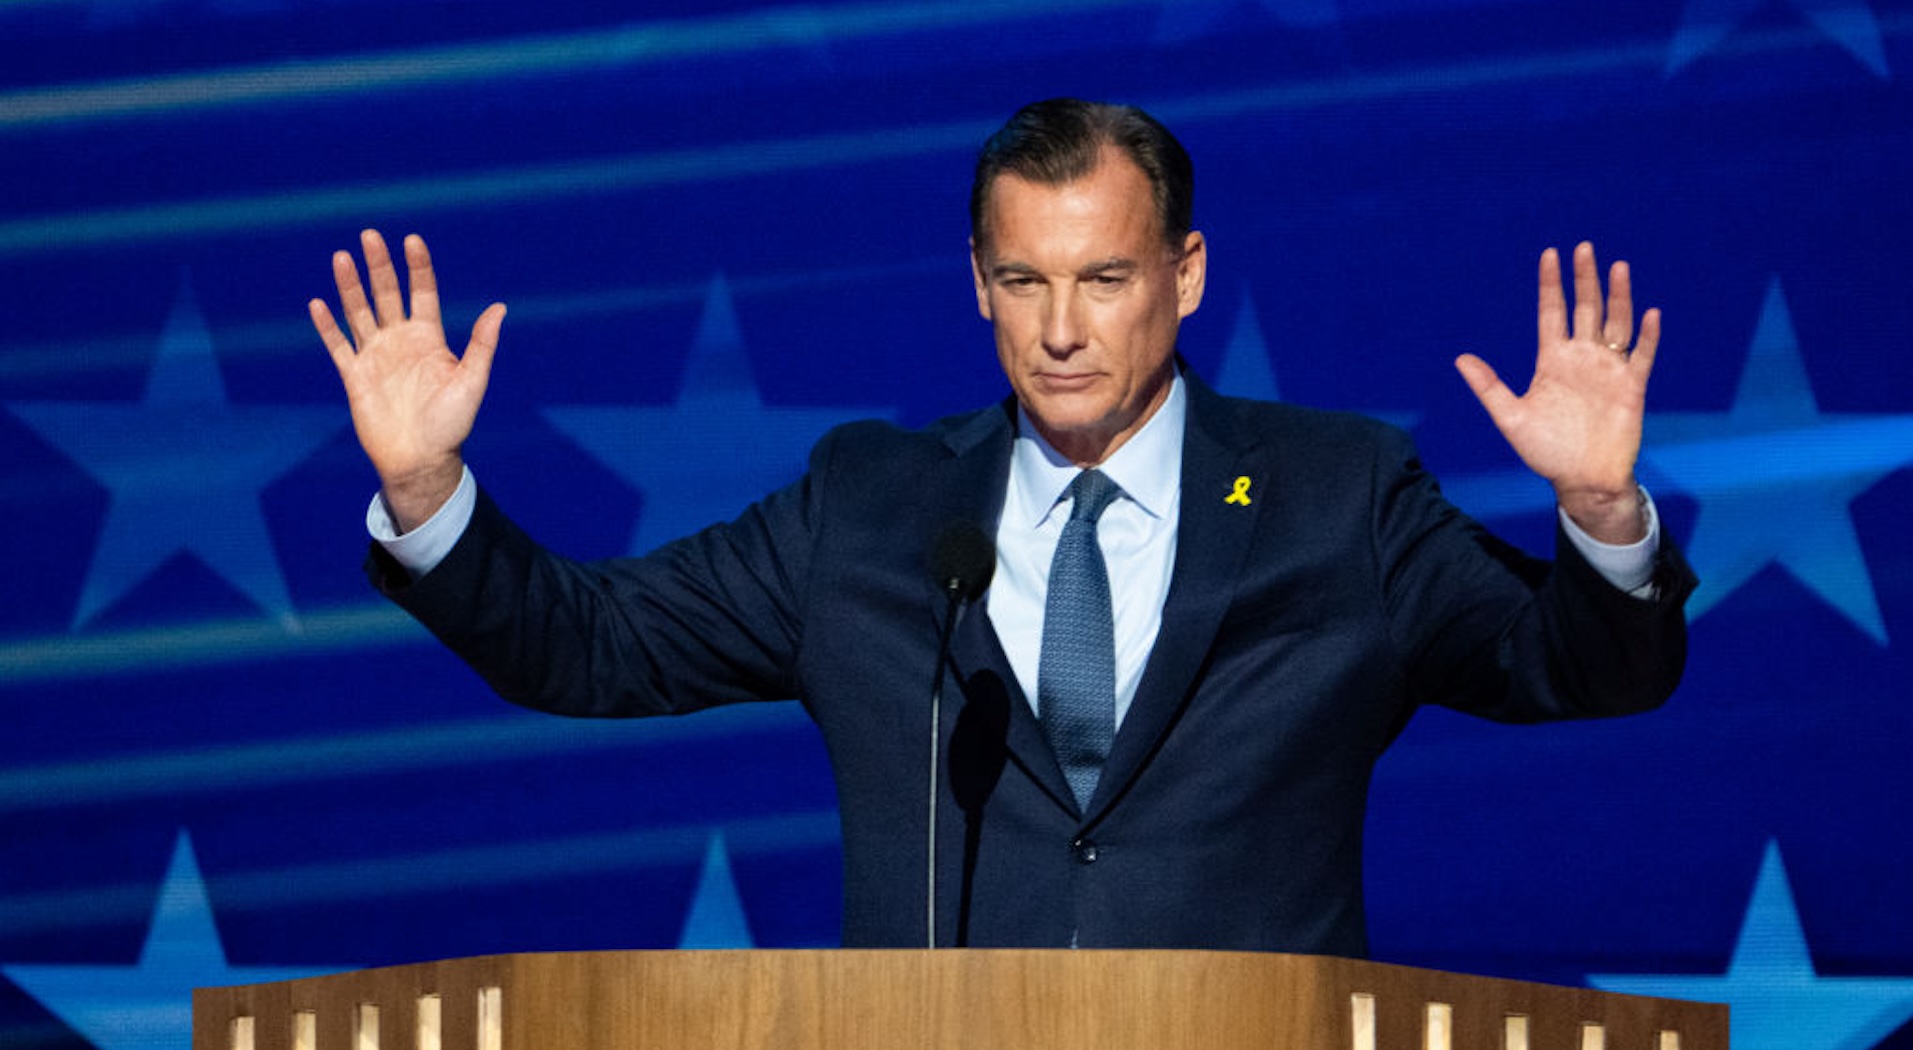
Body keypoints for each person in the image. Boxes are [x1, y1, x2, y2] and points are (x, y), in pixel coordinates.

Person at [310, 99, 1695, 957]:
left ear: (1184, 272)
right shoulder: (868, 506)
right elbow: (590, 648)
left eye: (1102, 276)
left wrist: (1597, 512)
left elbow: (1578, 668)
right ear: (975, 281)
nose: (1060, 328)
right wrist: (431, 494)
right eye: (1021, 278)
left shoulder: (1336, 495)